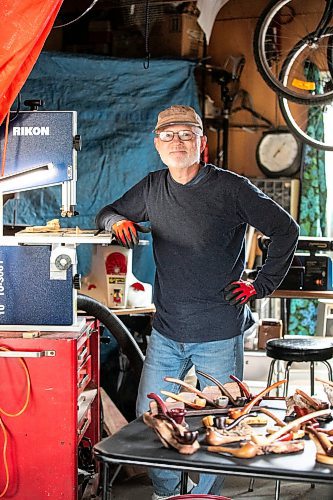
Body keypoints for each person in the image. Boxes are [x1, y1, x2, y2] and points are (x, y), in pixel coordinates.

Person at [96, 104, 299, 499]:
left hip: (218, 332)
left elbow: (285, 229)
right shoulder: (152, 188)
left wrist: (262, 284)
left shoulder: (232, 188)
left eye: (187, 134)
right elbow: (107, 212)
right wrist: (117, 222)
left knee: (219, 426)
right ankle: (167, 493)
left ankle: (204, 497)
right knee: (150, 420)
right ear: (157, 145)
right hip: (167, 332)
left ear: (201, 143)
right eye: (169, 135)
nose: (177, 142)